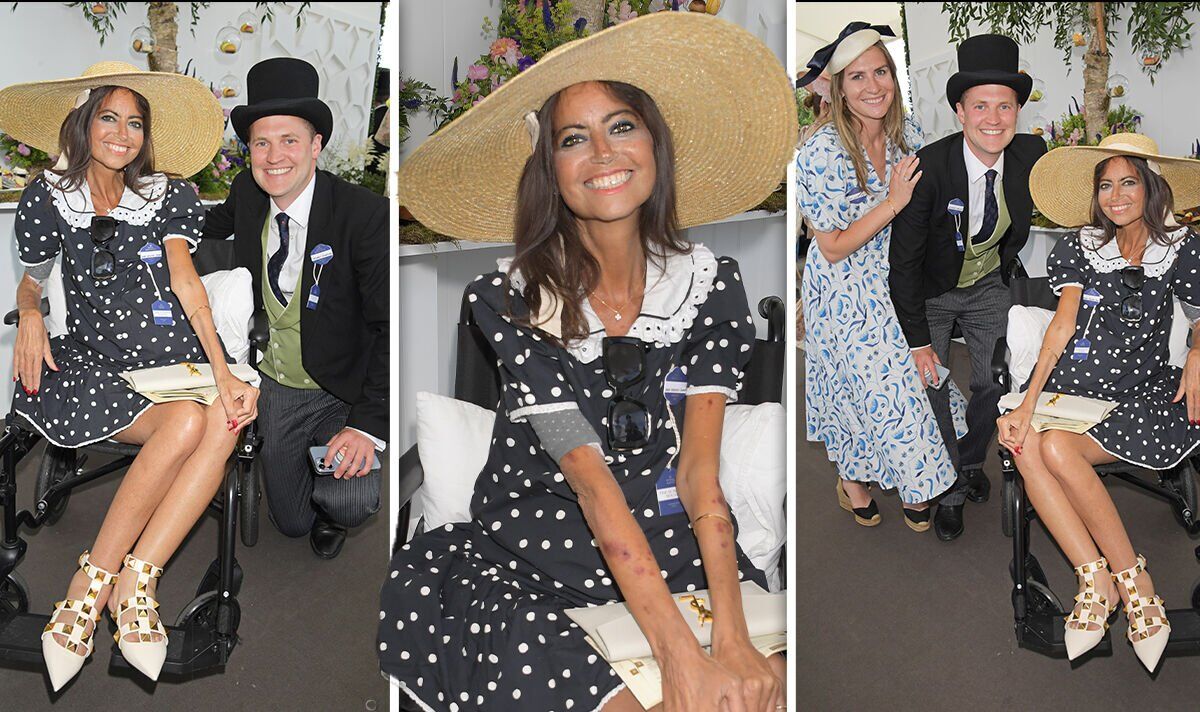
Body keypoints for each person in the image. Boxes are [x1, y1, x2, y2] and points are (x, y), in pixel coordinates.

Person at [382, 13, 793, 712]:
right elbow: (590, 481)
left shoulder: (713, 283)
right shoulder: (508, 298)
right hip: (533, 547)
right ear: (552, 171)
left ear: (655, 145)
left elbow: (699, 473)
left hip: (674, 537)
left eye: (622, 126)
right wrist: (678, 657)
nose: (602, 152)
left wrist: (731, 636)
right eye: (574, 139)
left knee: (762, 678)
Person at [0, 61, 255, 689]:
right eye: (109, 117)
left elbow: (186, 282)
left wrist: (223, 370)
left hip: (171, 359)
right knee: (189, 424)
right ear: (84, 123)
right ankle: (103, 588)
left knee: (223, 411)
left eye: (135, 122)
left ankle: (121, 583)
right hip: (90, 366)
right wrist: (30, 315)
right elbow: (31, 282)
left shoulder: (168, 193)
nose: (122, 133)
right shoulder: (47, 195)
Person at [997, 133, 1200, 672]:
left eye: (1128, 182)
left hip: (1144, 395)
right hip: (1078, 388)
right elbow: (1062, 327)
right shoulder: (1083, 245)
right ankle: (1113, 580)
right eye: (1105, 185)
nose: (1115, 196)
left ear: (1151, 186)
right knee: (1028, 441)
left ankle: (1117, 581)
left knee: (1053, 449)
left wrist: (1198, 351)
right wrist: (1025, 402)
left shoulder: (1181, 245)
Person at [202, 58, 389, 559]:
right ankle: (304, 484)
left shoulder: (366, 216)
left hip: (340, 390)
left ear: (316, 145)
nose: (274, 156)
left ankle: (334, 504)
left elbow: (389, 328)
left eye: (289, 140)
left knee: (349, 498)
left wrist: (366, 425)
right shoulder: (246, 191)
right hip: (279, 385)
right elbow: (202, 231)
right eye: (261, 143)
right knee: (289, 522)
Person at [797, 22, 965, 531]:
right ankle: (863, 484)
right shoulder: (820, 152)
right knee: (871, 390)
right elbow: (830, 246)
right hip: (843, 291)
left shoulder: (905, 138)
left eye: (881, 72)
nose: (874, 86)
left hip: (894, 281)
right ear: (839, 89)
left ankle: (913, 483)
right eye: (857, 76)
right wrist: (893, 202)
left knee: (911, 381)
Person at [889, 34, 1047, 541]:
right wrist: (916, 342)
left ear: (1018, 110)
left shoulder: (1032, 155)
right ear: (959, 111)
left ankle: (972, 460)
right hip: (930, 291)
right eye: (980, 105)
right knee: (933, 384)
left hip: (986, 285)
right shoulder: (927, 170)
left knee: (994, 380)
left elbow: (1074, 196)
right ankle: (951, 487)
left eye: (1005, 106)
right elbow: (904, 264)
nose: (994, 118)